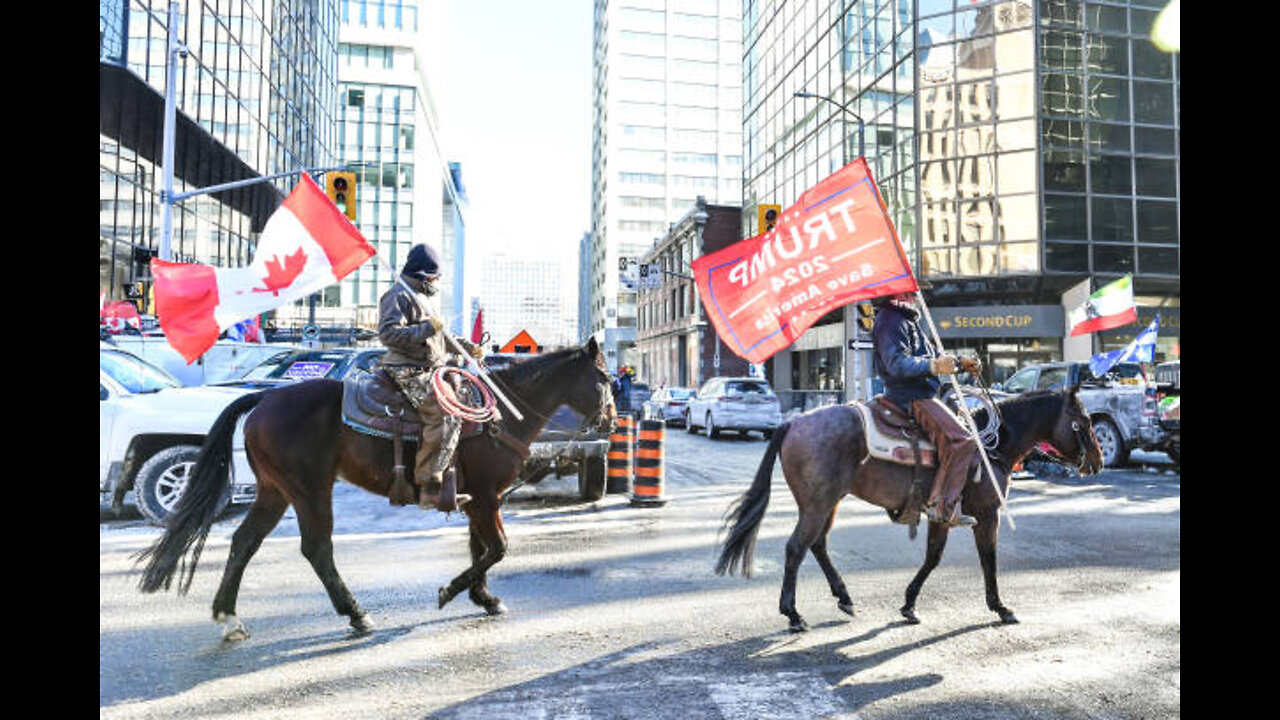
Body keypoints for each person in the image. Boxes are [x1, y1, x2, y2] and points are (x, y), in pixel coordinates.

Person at [378, 243, 485, 512]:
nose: (438, 281)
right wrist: (427, 327)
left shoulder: (422, 298)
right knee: (444, 413)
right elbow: (388, 335)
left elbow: (439, 338)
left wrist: (467, 347)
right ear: (425, 275)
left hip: (430, 368)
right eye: (436, 276)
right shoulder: (397, 296)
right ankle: (429, 488)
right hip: (407, 369)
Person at [871, 289, 983, 527]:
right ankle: (941, 507)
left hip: (925, 392)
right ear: (899, 294)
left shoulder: (907, 319)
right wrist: (933, 366)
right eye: (911, 292)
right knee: (963, 441)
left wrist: (961, 363)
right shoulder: (891, 320)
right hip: (911, 395)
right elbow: (896, 363)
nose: (916, 296)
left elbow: (934, 357)